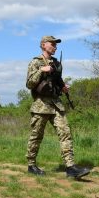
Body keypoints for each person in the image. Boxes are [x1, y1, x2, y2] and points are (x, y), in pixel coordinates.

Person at [25, 35, 90, 179]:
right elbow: (29, 83)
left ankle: (70, 168)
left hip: (56, 104)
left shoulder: (56, 63)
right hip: (41, 105)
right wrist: (42, 70)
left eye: (56, 44)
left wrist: (63, 88)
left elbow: (56, 81)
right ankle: (31, 165)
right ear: (43, 45)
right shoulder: (35, 62)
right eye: (52, 44)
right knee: (36, 136)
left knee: (65, 132)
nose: (55, 46)